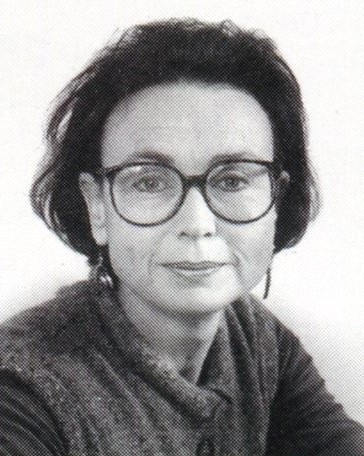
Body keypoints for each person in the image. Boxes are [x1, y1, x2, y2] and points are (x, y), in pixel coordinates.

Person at [0, 18, 363, 456]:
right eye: (150, 182)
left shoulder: (256, 340)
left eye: (232, 180)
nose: (198, 222)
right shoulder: (20, 388)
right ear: (97, 207)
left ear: (277, 201)